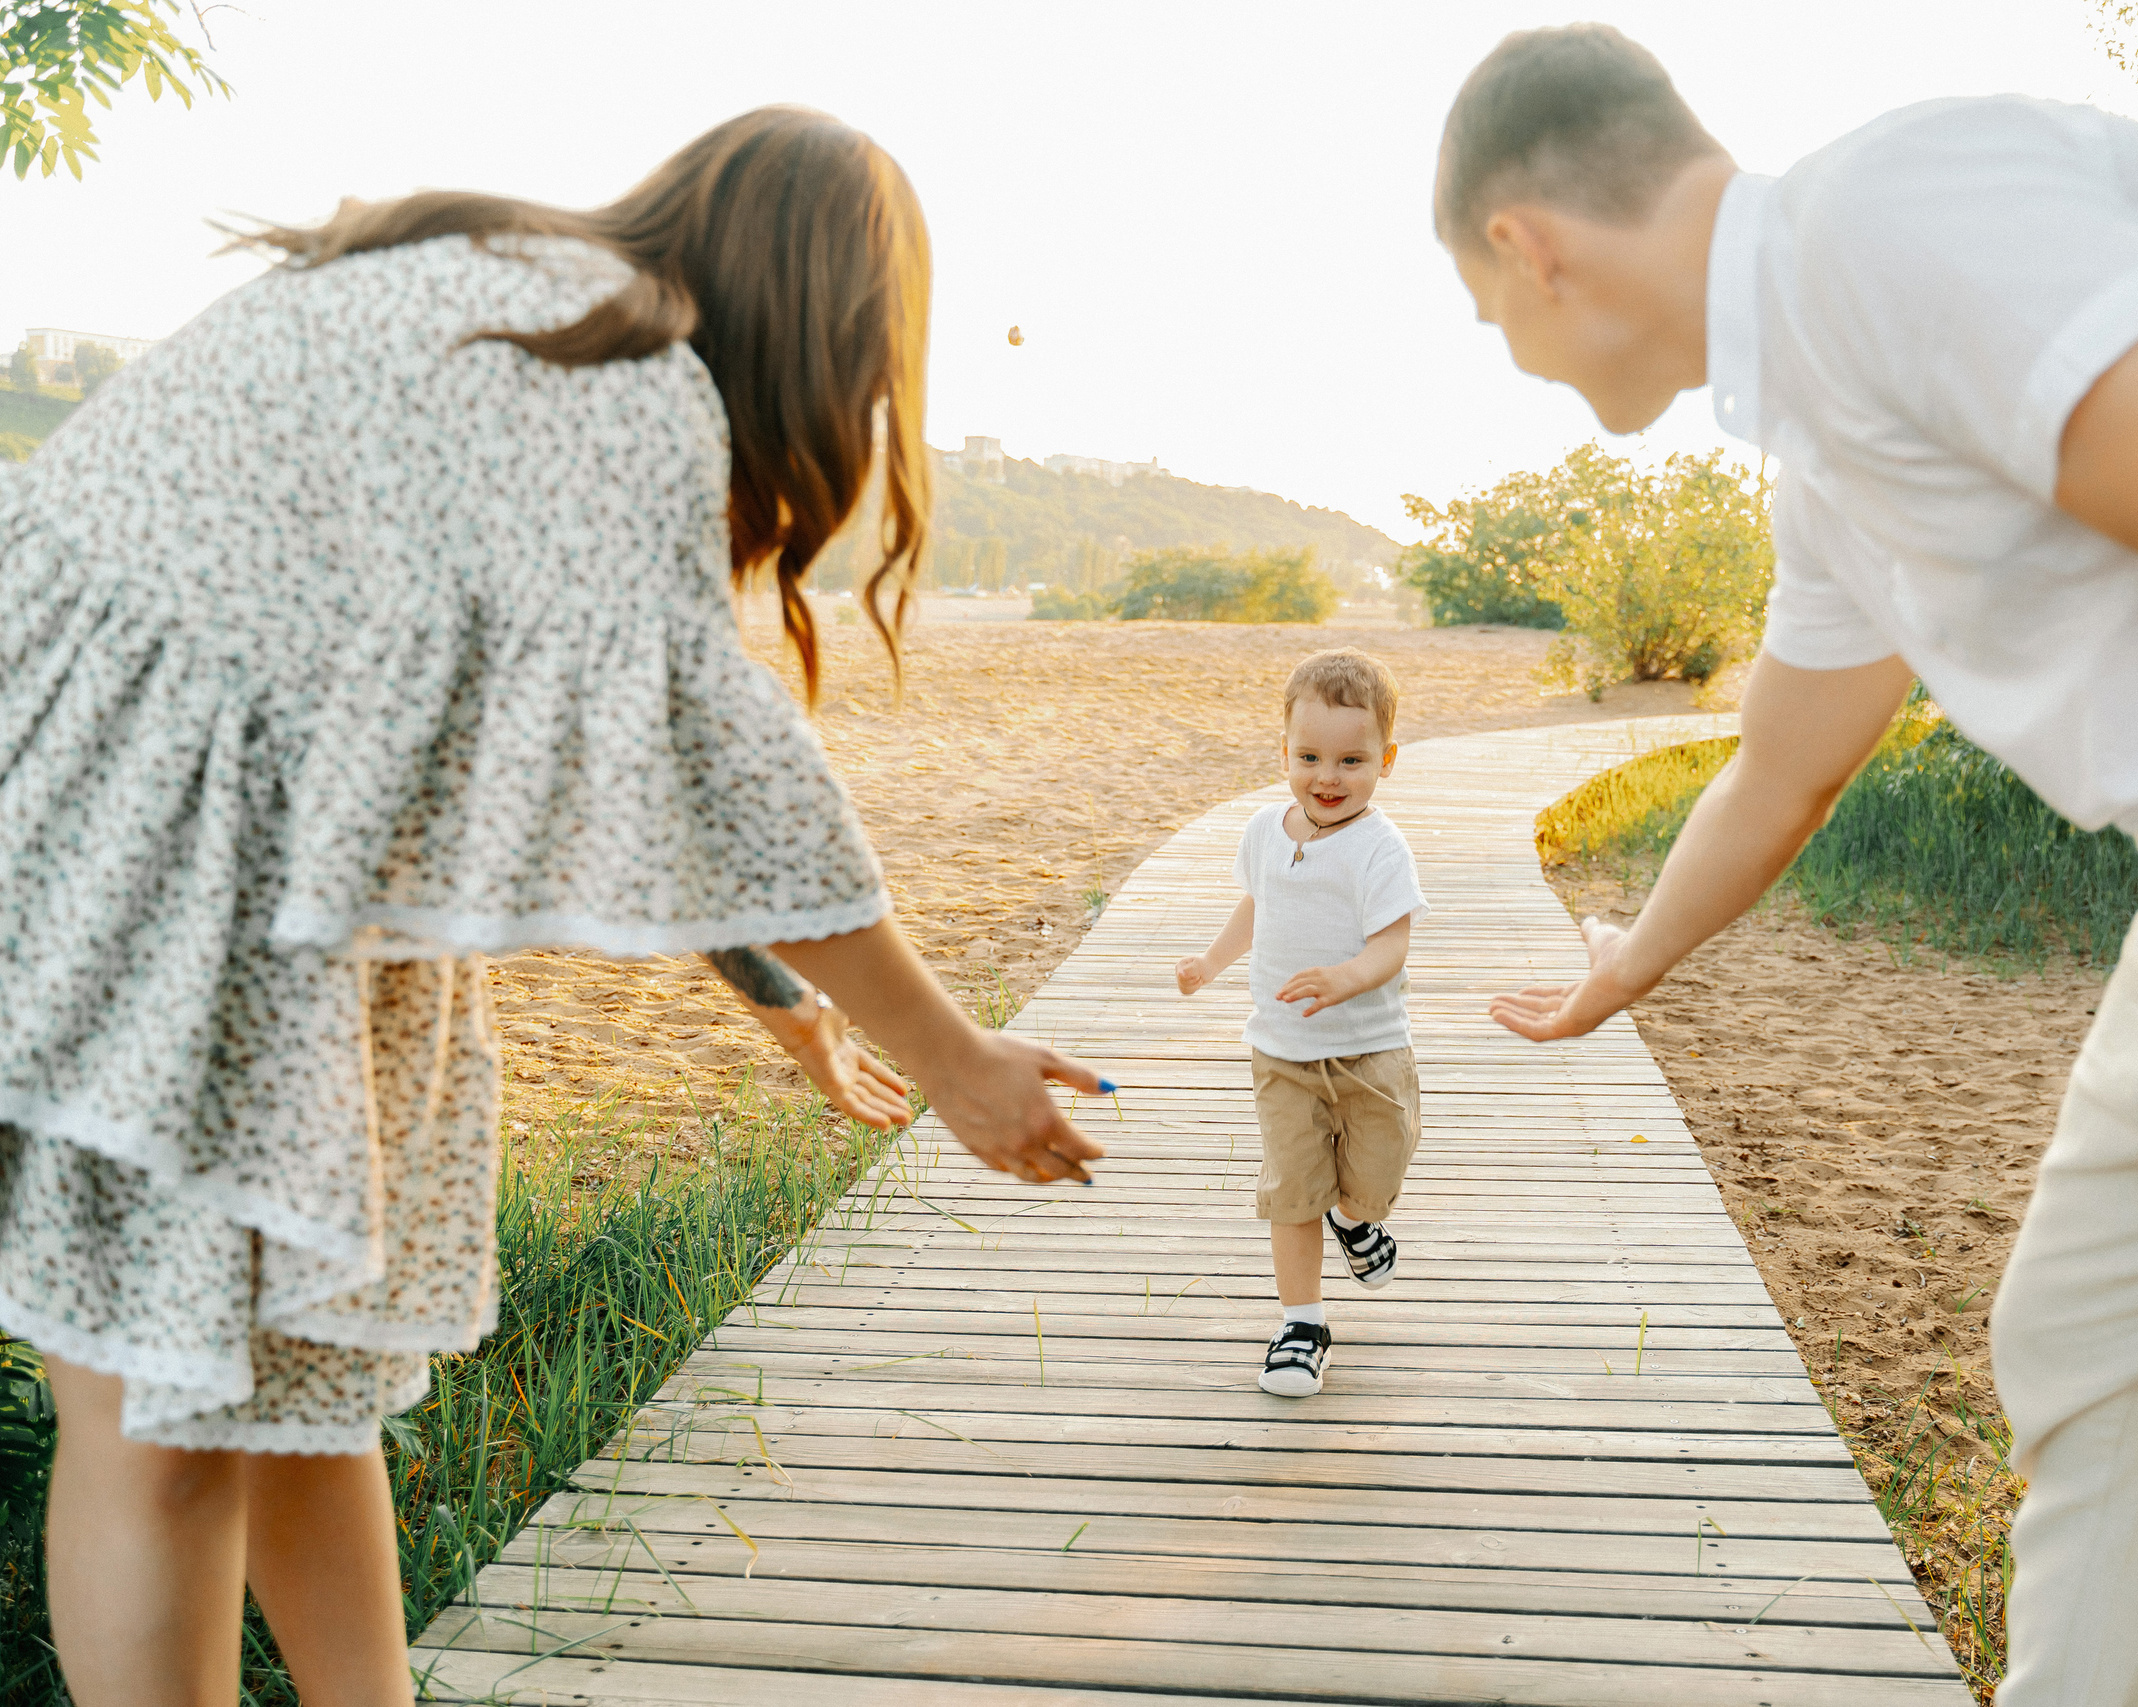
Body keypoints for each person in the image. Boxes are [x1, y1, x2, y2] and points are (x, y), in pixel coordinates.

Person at [1444, 24, 2138, 1707]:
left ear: (1526, 249)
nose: (1502, 347)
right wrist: (1623, 966)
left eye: (1482, 311)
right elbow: (1785, 763)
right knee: (2101, 1353)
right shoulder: (1820, 436)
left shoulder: (1890, 218)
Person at [0, 107, 1107, 1705]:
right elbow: (717, 763)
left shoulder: (512, 285)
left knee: (304, 1379)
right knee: (157, 1421)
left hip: (253, 847)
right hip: (129, 830)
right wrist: (952, 1058)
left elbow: (625, 757)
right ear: (834, 318)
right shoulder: (608, 369)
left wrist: (791, 1014)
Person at [1173, 650, 1430, 1397]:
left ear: (1385, 758)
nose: (1328, 776)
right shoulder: (1263, 829)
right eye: (1309, 756)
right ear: (1283, 751)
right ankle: (1302, 1323)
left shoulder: (1380, 847)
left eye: (1352, 759)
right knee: (1292, 1189)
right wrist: (1211, 963)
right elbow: (1257, 904)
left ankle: (1358, 1221)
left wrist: (1346, 978)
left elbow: (1393, 941)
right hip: (1282, 1053)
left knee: (1376, 1175)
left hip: (1369, 1052)